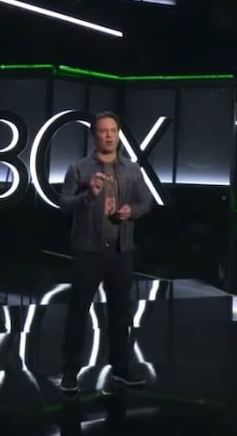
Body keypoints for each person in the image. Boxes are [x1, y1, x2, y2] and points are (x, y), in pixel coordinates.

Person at [58, 111, 153, 393]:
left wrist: (132, 211)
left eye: (113, 130)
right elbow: (64, 205)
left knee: (121, 313)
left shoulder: (132, 169)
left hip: (121, 251)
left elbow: (146, 202)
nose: (109, 135)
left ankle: (121, 370)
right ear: (94, 135)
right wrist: (89, 194)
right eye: (103, 131)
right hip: (87, 252)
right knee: (78, 312)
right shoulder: (78, 168)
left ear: (118, 134)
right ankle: (70, 372)